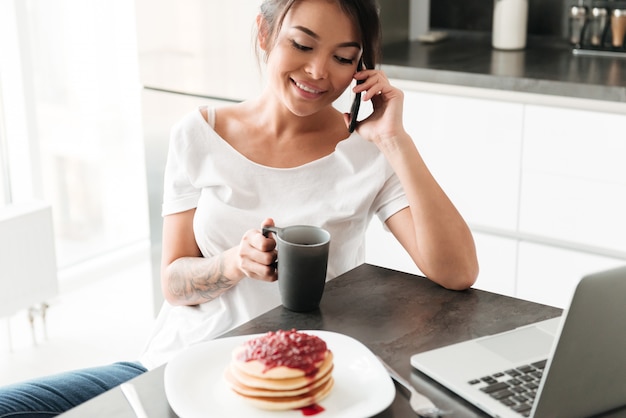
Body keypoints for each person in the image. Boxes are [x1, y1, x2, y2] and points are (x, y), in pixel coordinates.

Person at [0, 0, 478, 416]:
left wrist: (395, 140)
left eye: (343, 57)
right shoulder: (198, 133)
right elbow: (173, 283)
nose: (318, 72)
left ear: (361, 68)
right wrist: (232, 263)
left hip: (294, 384)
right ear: (265, 33)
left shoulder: (367, 152)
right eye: (303, 44)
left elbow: (457, 271)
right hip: (176, 363)